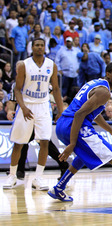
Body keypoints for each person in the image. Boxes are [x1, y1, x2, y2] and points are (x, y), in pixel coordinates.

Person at [47, 62, 112, 209]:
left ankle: (59, 188)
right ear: (108, 74)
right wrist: (72, 143)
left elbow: (93, 114)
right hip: (75, 125)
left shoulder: (96, 84)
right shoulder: (104, 92)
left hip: (63, 124)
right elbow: (80, 114)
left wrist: (111, 131)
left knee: (82, 157)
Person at [3, 38, 64, 190]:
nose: (39, 47)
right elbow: (17, 89)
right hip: (27, 104)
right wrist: (22, 107)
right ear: (32, 47)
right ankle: (12, 175)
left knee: (44, 141)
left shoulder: (51, 65)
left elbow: (55, 89)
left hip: (43, 106)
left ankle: (38, 177)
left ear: (45, 47)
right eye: (36, 45)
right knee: (19, 142)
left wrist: (61, 110)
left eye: (42, 45)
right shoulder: (24, 64)